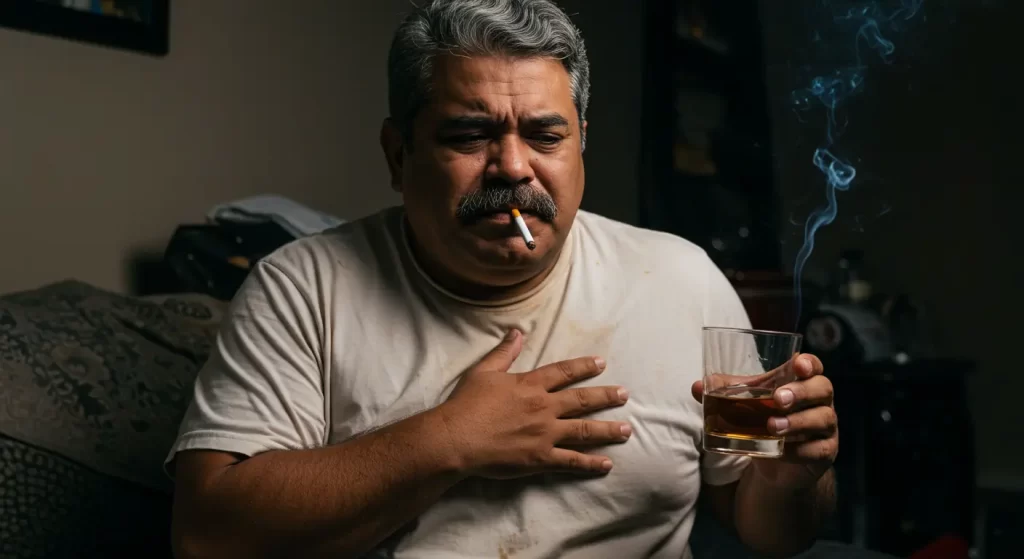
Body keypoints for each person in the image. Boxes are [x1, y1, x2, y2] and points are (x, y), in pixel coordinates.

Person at [166, 1, 839, 557]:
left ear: (582, 147)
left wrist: (791, 480)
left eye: (545, 136)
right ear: (399, 155)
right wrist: (447, 440)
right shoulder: (304, 288)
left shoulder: (680, 278)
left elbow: (766, 527)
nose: (513, 167)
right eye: (468, 134)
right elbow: (205, 534)